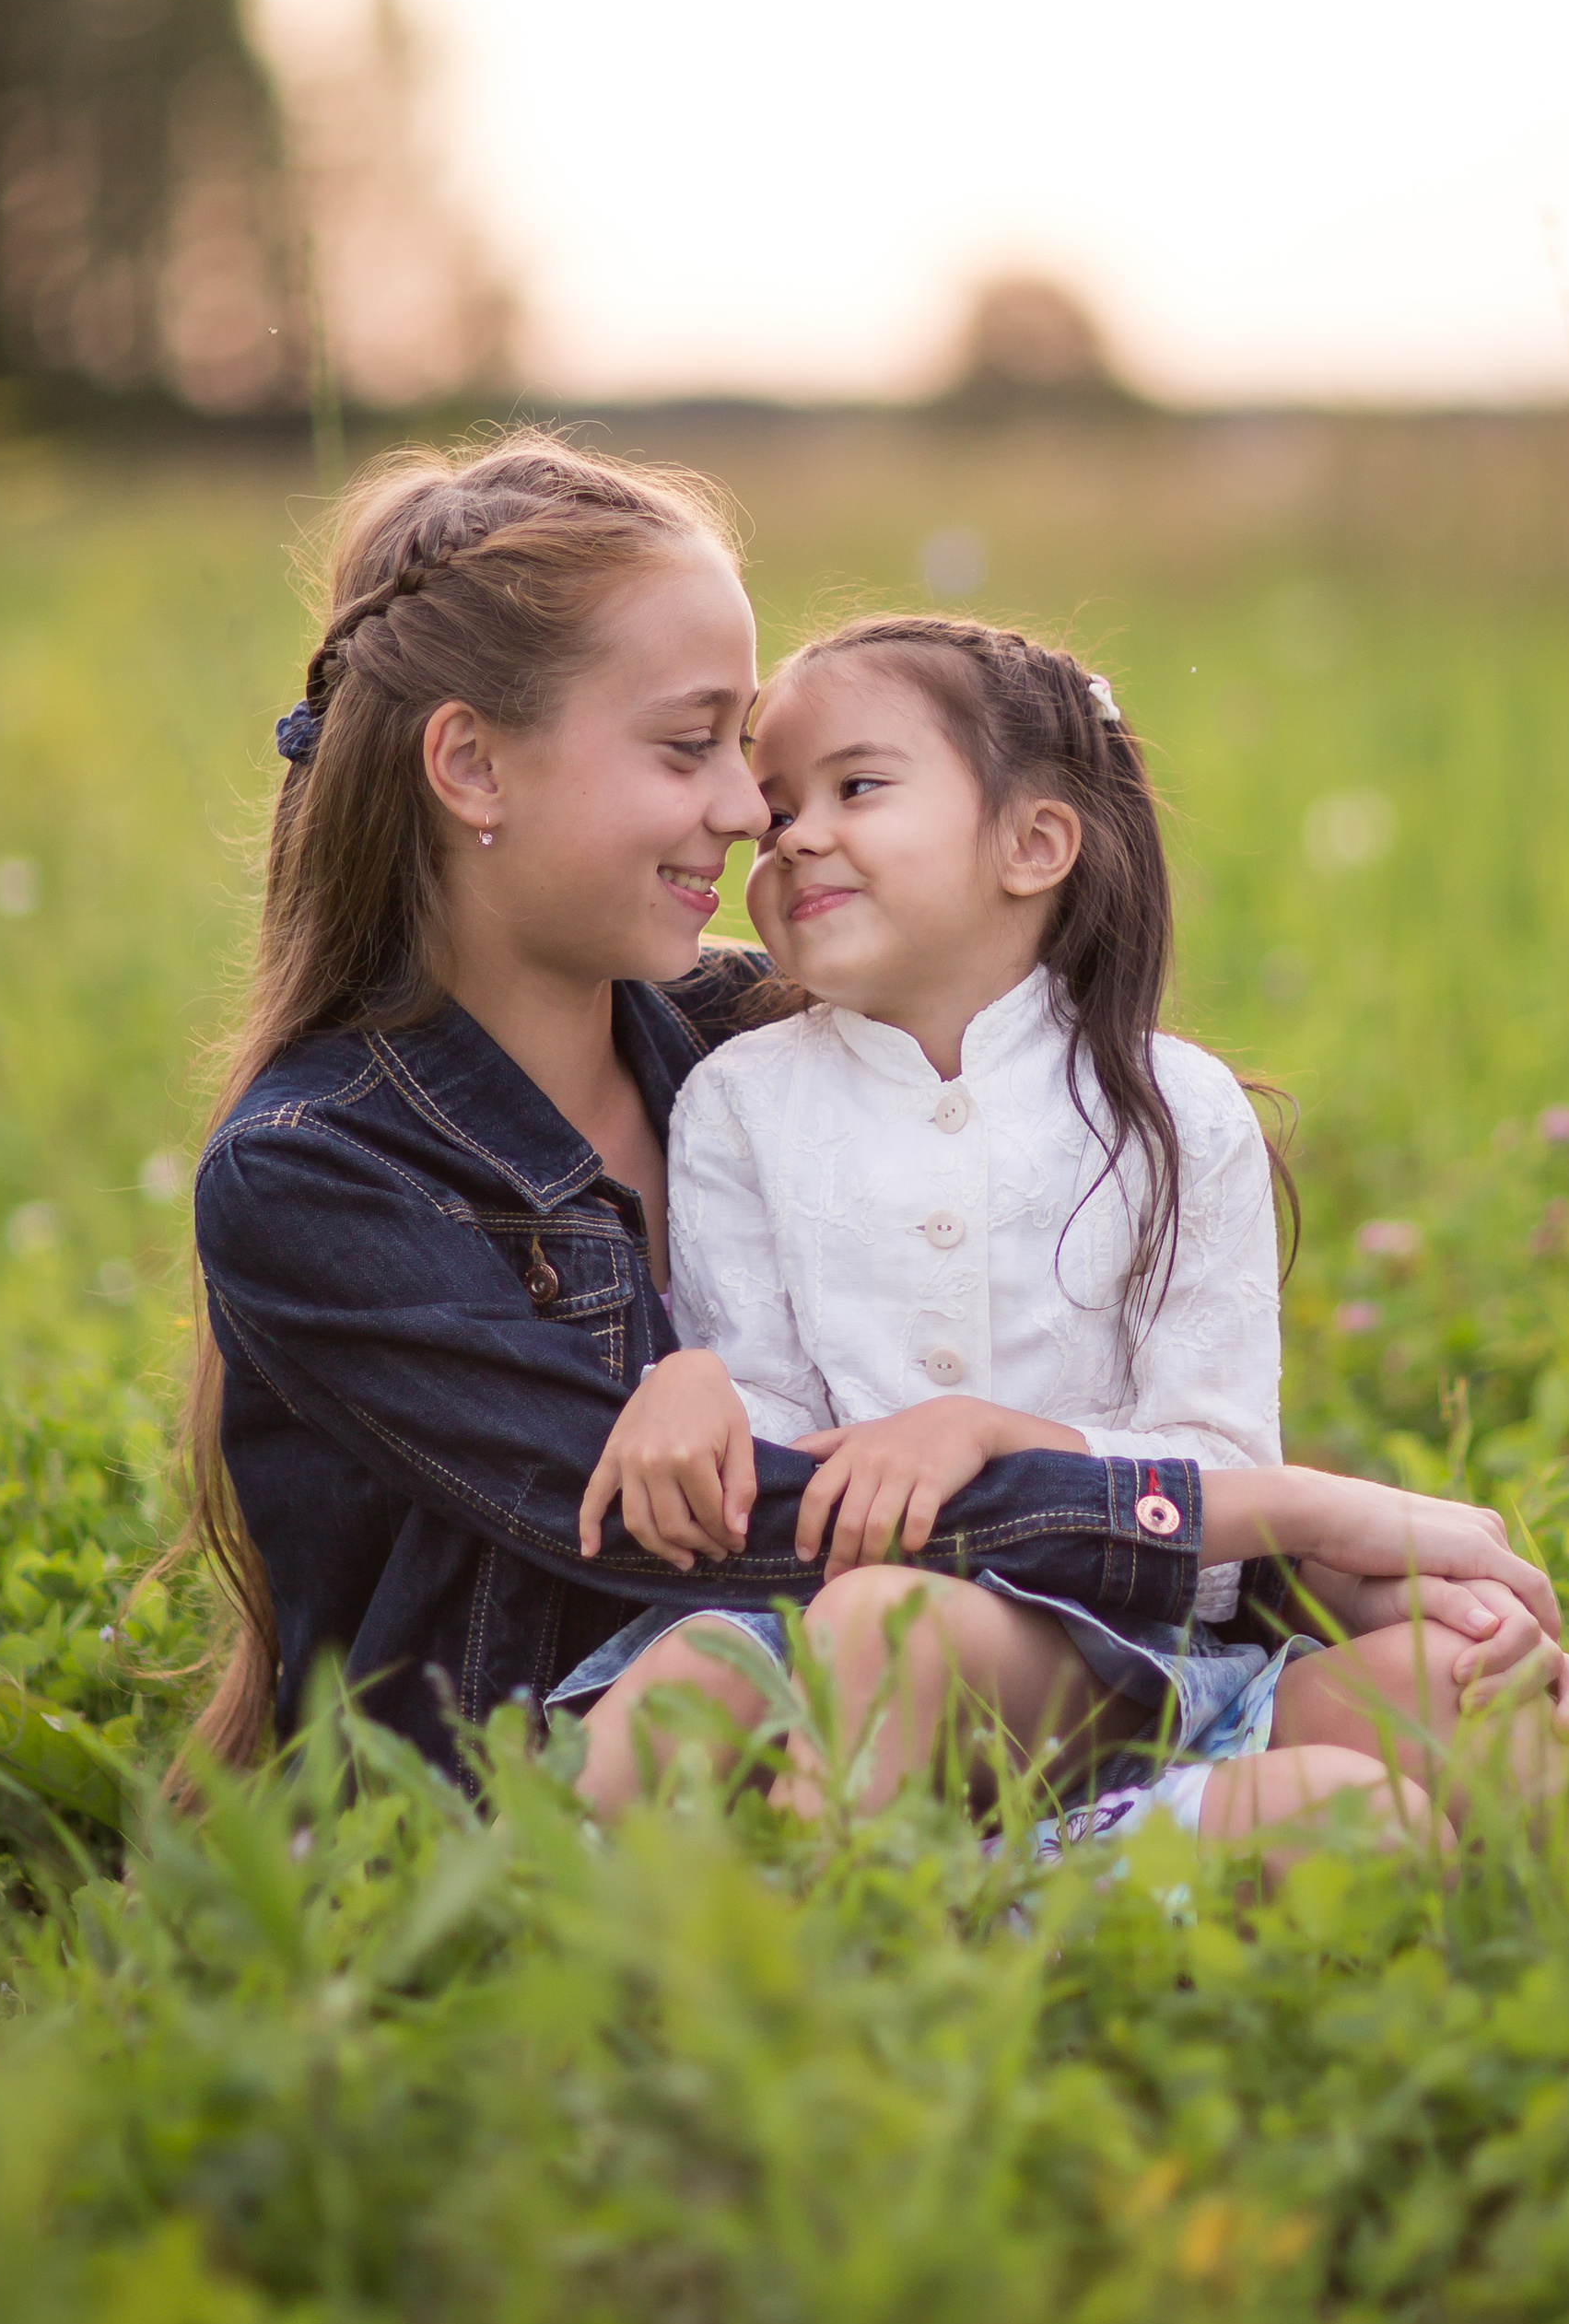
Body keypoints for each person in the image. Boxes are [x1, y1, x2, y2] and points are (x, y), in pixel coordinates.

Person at [184, 435, 1232, 1775]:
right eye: (690, 748)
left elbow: (1039, 1139)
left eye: (743, 748)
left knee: (1411, 1724)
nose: (751, 812)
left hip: (863, 1724)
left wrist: (1289, 1563)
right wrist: (1289, 1522)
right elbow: (748, 1520)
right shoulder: (314, 1172)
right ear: (473, 768)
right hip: (523, 1836)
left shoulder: (751, 1039)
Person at [564, 613, 1569, 1853]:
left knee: (1478, 1683)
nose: (795, 838)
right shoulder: (743, 1100)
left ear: (1036, 842)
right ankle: (919, 1912)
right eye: (776, 812)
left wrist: (993, 1434)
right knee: (841, 1640)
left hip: (1130, 1661)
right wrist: (698, 1385)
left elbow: (1218, 1475)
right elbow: (773, 1425)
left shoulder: (1171, 1109)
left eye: (859, 787)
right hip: (839, 1629)